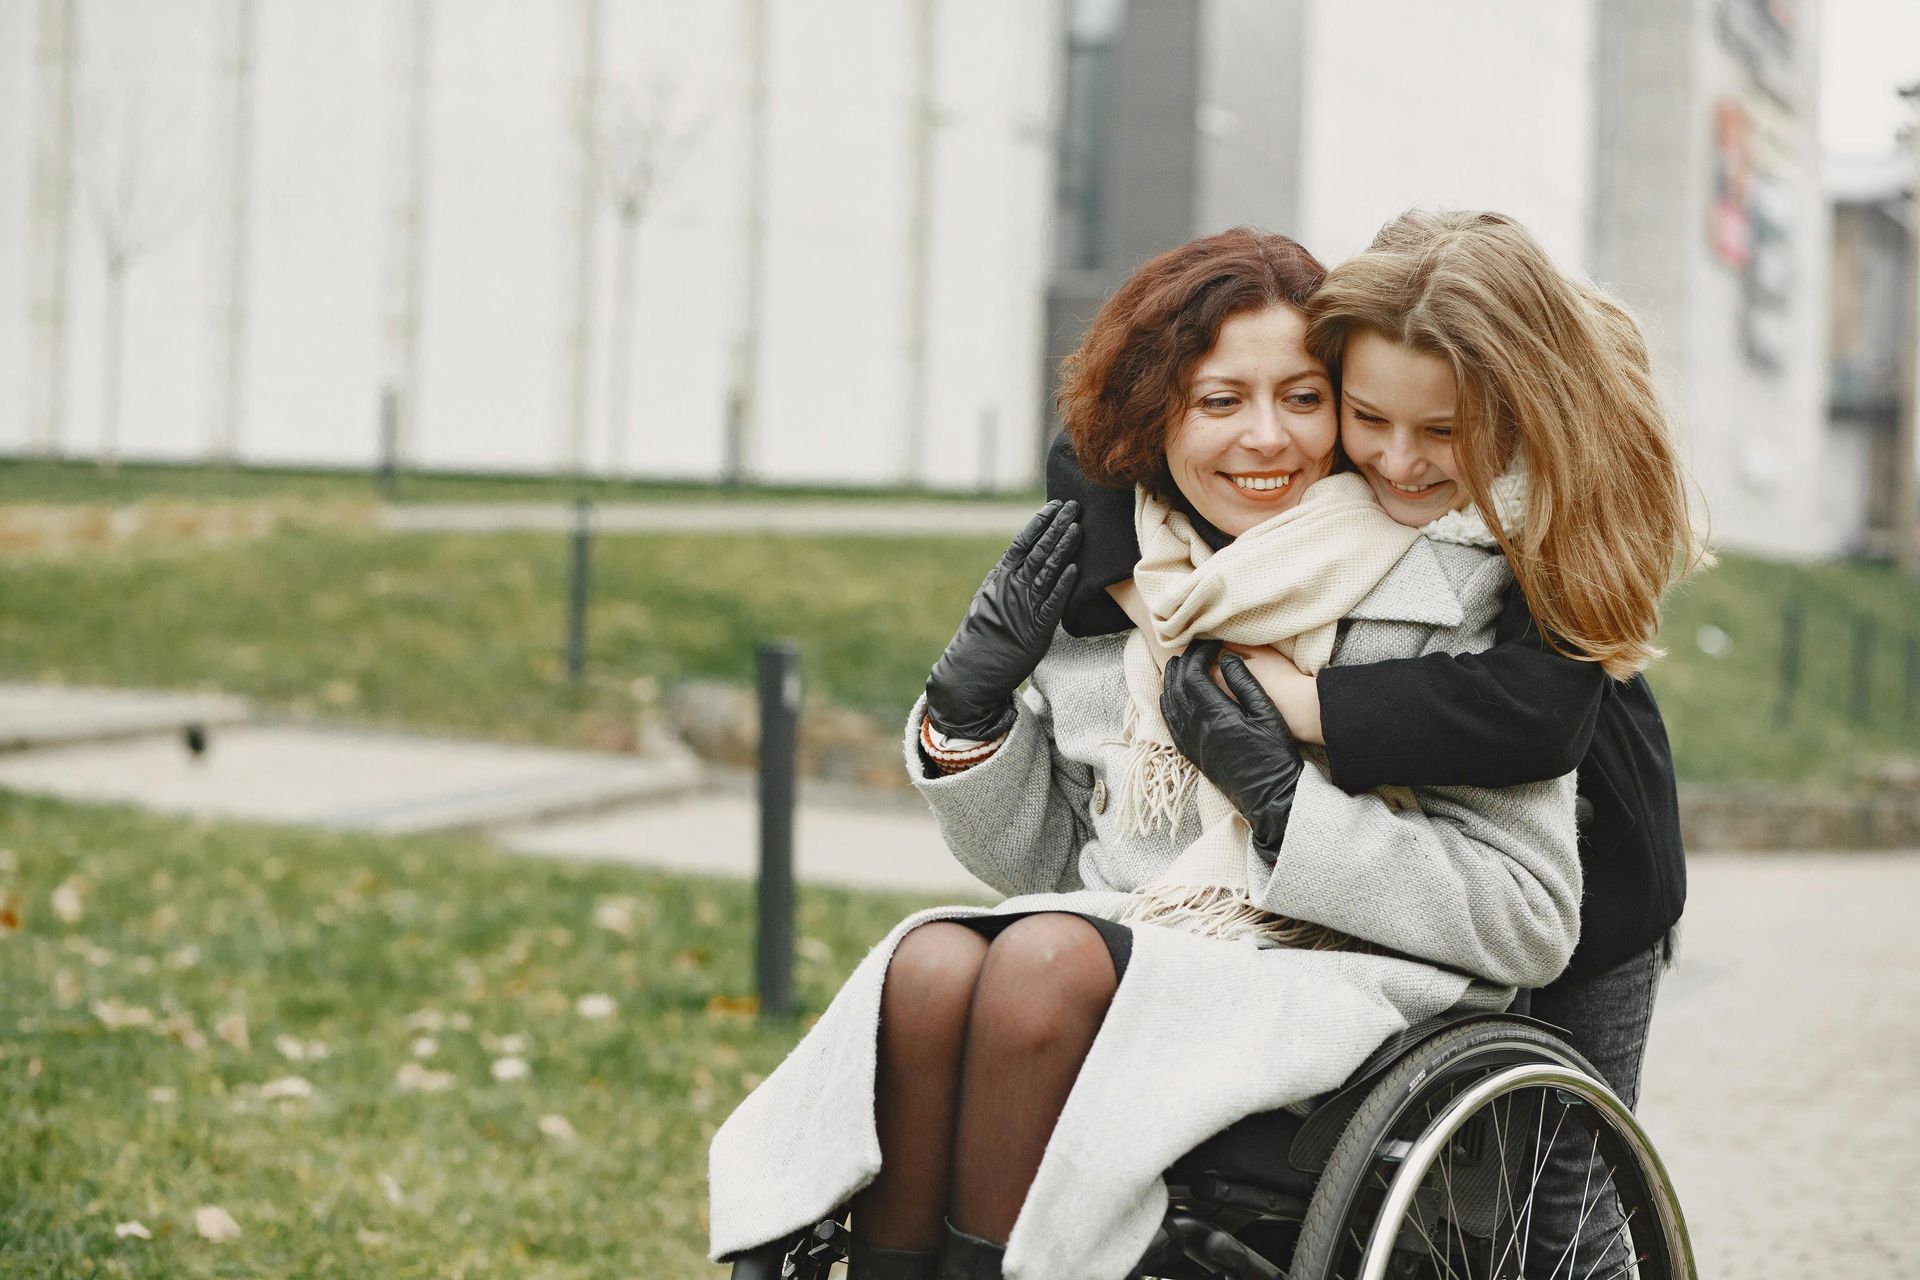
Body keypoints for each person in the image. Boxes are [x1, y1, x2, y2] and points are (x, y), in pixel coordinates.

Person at [710, 227, 1582, 1280]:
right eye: (1220, 402)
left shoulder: (1458, 584)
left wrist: (1284, 804)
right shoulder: (1120, 592)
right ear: (1155, 414)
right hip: (1142, 946)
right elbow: (1060, 868)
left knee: (1038, 960)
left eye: (1303, 399)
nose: (1268, 438)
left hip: (1348, 974)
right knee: (935, 966)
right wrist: (969, 709)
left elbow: (1531, 920)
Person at [1048, 208, 1700, 1270]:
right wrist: (1151, 603)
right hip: (1431, 854)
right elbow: (1088, 443)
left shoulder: (1564, 480)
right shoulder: (1392, 326)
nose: (1398, 459)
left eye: (1442, 432)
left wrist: (1301, 706)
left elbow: (1543, 711)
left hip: (1599, 859)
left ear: (1514, 404)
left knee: (1560, 1220)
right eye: (1368, 418)